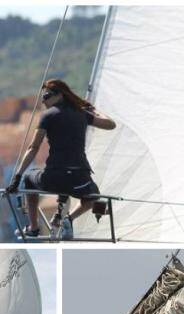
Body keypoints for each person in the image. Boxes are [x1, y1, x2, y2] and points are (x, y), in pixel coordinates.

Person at [6, 79, 116, 240]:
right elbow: (111, 124)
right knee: (93, 195)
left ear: (60, 95)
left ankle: (33, 227)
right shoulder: (82, 113)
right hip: (80, 179)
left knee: (29, 179)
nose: (43, 100)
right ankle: (69, 219)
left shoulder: (48, 116)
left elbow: (33, 148)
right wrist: (94, 110)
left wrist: (17, 177)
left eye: (46, 96)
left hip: (54, 179)